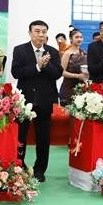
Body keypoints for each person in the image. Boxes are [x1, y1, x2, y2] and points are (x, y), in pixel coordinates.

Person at [11, 20, 63, 183]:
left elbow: (57, 74)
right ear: (30, 33)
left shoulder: (53, 52)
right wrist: (38, 66)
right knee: (21, 136)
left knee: (43, 137)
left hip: (45, 100)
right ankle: (19, 166)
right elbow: (16, 72)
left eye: (44, 31)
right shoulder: (20, 50)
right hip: (24, 100)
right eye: (37, 31)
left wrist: (46, 66)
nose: (41, 34)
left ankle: (40, 169)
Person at [58, 28, 87, 107]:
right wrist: (77, 76)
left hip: (82, 88)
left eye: (81, 37)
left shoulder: (84, 53)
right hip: (69, 88)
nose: (79, 39)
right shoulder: (67, 53)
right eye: (76, 37)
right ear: (71, 39)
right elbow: (62, 72)